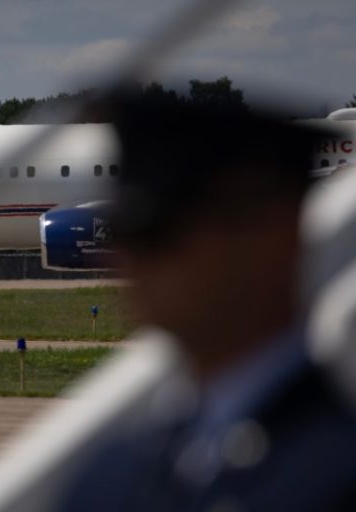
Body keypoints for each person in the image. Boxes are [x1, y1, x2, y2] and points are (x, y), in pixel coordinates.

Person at [55, 98, 356, 511]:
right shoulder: (111, 473)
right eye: (123, 233)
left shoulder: (334, 473)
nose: (125, 258)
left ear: (278, 236)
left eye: (155, 231)